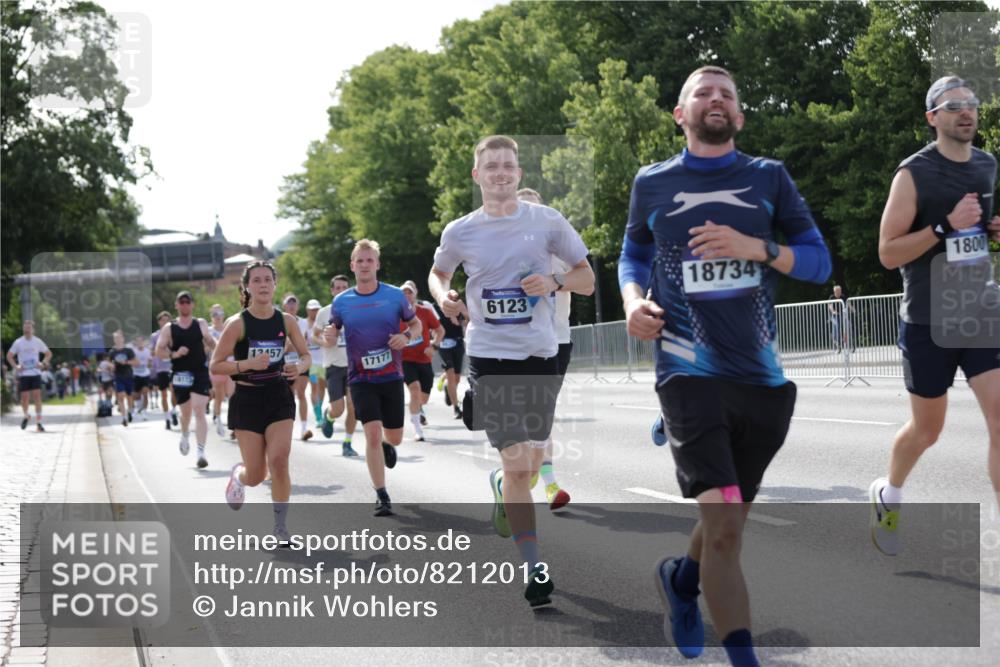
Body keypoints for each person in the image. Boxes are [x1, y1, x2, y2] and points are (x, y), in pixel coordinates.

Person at [618, 66, 831, 665]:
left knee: (727, 516)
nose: (716, 100)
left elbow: (818, 262)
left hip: (760, 378)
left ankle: (681, 581)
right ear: (680, 114)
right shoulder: (653, 183)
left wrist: (758, 248)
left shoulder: (769, 178)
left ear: (739, 116)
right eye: (702, 93)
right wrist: (634, 302)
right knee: (728, 529)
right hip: (687, 370)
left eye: (728, 95)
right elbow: (633, 252)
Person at [429, 135, 594, 607]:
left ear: (519, 174)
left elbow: (585, 278)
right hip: (489, 357)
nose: (500, 172)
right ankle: (535, 568)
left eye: (508, 166)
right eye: (491, 166)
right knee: (520, 461)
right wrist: (444, 296)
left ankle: (504, 487)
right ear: (477, 175)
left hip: (540, 355)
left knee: (527, 460)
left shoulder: (548, 222)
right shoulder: (461, 230)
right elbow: (439, 272)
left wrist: (555, 279)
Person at [869, 75, 1000, 556]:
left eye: (972, 103)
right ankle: (889, 493)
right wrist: (945, 226)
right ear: (932, 118)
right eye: (953, 106)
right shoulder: (912, 174)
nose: (966, 112)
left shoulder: (987, 165)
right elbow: (887, 252)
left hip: (981, 309)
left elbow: (974, 237)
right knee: (928, 431)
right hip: (928, 319)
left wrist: (989, 230)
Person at [212, 260, 309, 542]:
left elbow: (305, 355)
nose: (263, 284)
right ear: (247, 287)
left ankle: (280, 526)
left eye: (268, 279)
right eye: (257, 280)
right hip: (248, 399)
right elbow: (216, 366)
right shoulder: (237, 324)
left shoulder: (286, 321)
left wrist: (299, 367)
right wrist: (247, 364)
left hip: (278, 395)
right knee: (256, 475)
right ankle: (240, 477)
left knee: (279, 462)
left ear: (275, 284)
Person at [324, 240, 421, 517]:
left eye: (370, 260)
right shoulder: (342, 301)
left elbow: (415, 324)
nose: (365, 265)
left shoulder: (394, 296)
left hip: (391, 375)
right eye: (360, 261)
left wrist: (405, 336)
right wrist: (328, 336)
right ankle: (381, 493)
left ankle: (388, 446)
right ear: (352, 265)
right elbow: (331, 330)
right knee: (372, 433)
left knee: (395, 437)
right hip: (360, 378)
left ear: (377, 264)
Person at [516, 187, 595, 510]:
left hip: (557, 341)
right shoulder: (504, 252)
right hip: (514, 344)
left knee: (541, 415)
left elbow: (588, 285)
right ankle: (529, 477)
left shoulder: (561, 250)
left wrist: (554, 280)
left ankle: (542, 480)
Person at [155, 291, 217, 468]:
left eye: (187, 302)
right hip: (180, 373)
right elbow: (159, 351)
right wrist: (174, 353)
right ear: (176, 305)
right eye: (181, 302)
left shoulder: (201, 324)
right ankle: (184, 434)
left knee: (199, 410)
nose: (184, 305)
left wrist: (220, 354)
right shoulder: (169, 328)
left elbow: (212, 343)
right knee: (186, 413)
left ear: (192, 305)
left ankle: (201, 452)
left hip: (199, 372)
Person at [314, 275, 359, 456]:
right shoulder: (324, 312)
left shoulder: (356, 310)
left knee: (353, 406)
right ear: (332, 290)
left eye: (344, 287)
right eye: (337, 288)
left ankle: (347, 443)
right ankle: (329, 416)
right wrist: (324, 342)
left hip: (353, 365)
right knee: (338, 409)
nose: (341, 290)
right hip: (333, 365)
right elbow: (314, 335)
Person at [399, 280, 444, 442]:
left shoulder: (425, 312)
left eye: (409, 292)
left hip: (424, 360)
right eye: (403, 293)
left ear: (415, 293)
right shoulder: (395, 314)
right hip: (405, 360)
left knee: (422, 399)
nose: (407, 295)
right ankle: (418, 430)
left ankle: (416, 412)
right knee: (415, 390)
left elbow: (440, 330)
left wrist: (434, 346)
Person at [6, 321, 52, 431]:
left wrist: (43, 363)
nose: (26, 330)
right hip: (24, 374)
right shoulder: (18, 342)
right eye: (25, 328)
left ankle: (39, 422)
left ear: (33, 330)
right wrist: (16, 366)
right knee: (25, 398)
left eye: (29, 328)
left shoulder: (37, 341)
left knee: (37, 396)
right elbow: (9, 356)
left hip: (35, 373)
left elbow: (48, 354)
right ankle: (26, 415)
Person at [281, 294, 314, 441]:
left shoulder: (304, 323)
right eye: (289, 303)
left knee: (301, 393)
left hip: (300, 362)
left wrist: (295, 346)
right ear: (284, 306)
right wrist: (288, 346)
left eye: (294, 303)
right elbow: (282, 346)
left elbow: (305, 344)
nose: (292, 306)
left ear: (298, 306)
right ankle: (287, 428)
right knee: (289, 396)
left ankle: (304, 428)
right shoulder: (279, 321)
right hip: (285, 362)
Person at [432, 297, 468, 420]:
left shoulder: (457, 306)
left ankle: (448, 387)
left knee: (456, 378)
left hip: (457, 343)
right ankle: (456, 408)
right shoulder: (435, 307)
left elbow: (464, 323)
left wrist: (456, 318)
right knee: (451, 374)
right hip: (443, 344)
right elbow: (433, 326)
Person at [208, 304, 235, 437]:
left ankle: (233, 425)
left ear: (223, 315)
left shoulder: (229, 328)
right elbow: (205, 350)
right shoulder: (208, 331)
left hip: (230, 366)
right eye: (214, 314)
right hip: (217, 367)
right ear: (211, 317)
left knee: (232, 395)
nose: (217, 317)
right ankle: (218, 419)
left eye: (219, 314)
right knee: (219, 396)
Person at [150, 311, 177, 429]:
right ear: (159, 322)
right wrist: (160, 352)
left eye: (167, 320)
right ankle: (167, 418)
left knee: (174, 392)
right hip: (161, 368)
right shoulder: (155, 336)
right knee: (164, 395)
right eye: (163, 320)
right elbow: (152, 351)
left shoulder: (175, 333)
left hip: (173, 367)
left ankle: (174, 411)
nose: (165, 322)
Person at [108, 330, 138, 427]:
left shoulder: (128, 350)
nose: (117, 340)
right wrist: (111, 366)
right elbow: (109, 363)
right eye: (115, 338)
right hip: (118, 376)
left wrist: (126, 362)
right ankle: (124, 418)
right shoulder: (112, 351)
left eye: (119, 338)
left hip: (128, 375)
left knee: (129, 397)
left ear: (123, 339)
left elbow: (137, 362)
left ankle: (129, 411)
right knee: (121, 396)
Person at [305, 299, 326, 427]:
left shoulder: (323, 323)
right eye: (312, 309)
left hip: (323, 361)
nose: (315, 311)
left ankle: (319, 408)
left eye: (317, 309)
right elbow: (300, 342)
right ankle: (318, 415)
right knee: (314, 387)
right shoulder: (304, 325)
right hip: (311, 362)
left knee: (322, 387)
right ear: (308, 310)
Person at [131, 334, 153, 420]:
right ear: (136, 342)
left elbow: (150, 363)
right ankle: (139, 407)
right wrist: (135, 363)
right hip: (136, 374)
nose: (139, 343)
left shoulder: (147, 351)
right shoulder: (133, 352)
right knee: (136, 395)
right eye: (138, 341)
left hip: (145, 374)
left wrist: (150, 363)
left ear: (143, 342)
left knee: (145, 393)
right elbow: (131, 362)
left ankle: (145, 412)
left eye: (141, 341)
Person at [827, 284, 853, 352]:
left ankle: (848, 342)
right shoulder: (832, 297)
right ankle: (836, 342)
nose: (839, 292)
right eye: (838, 291)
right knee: (836, 325)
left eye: (840, 291)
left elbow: (848, 303)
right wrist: (833, 311)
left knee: (848, 324)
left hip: (842, 315)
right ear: (834, 291)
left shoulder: (843, 296)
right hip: (834, 316)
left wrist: (852, 308)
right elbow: (830, 305)